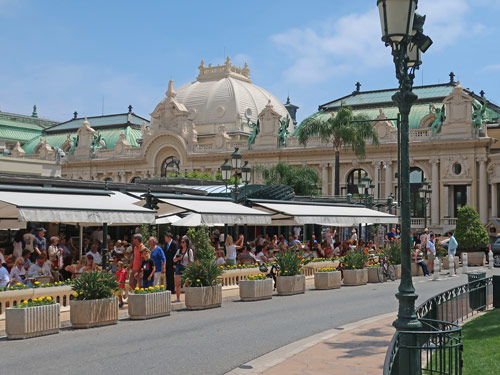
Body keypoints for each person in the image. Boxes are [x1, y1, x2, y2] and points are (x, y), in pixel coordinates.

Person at [173, 237, 194, 302]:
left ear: (186, 243)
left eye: (183, 242)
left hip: (185, 267)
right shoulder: (179, 250)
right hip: (179, 266)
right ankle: (178, 298)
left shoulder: (189, 251)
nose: (182, 243)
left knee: (187, 283)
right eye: (181, 242)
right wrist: (178, 259)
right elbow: (174, 259)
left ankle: (188, 297)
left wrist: (188, 267)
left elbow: (191, 261)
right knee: (177, 283)